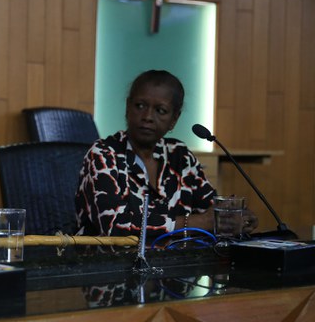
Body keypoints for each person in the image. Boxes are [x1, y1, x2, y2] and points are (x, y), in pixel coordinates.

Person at [75, 69, 258, 241]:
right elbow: (116, 227)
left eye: (160, 110)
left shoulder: (180, 155)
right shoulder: (103, 155)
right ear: (127, 107)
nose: (147, 116)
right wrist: (197, 222)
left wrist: (232, 218)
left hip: (177, 261)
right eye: (140, 106)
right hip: (108, 262)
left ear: (174, 120)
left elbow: (211, 212)